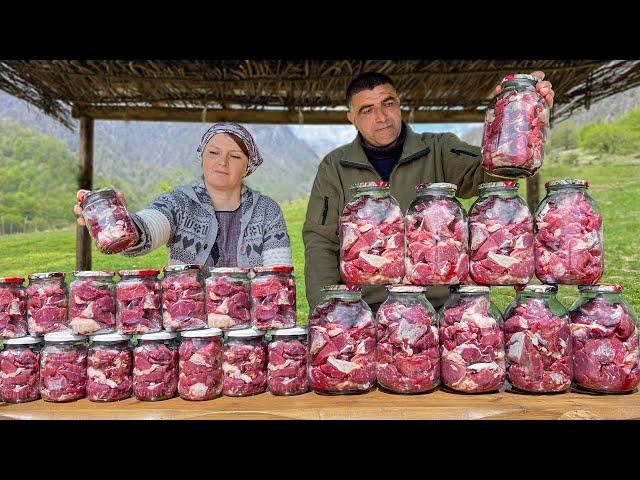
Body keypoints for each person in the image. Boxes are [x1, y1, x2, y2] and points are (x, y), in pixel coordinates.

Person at [303, 71, 554, 311]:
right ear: (352, 118)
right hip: (366, 311)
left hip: (437, 308)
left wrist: (516, 107)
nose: (381, 117)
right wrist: (328, 311)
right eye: (366, 110)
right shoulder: (334, 167)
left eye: (387, 103)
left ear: (399, 104)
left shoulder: (439, 149)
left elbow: (492, 169)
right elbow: (321, 241)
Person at [75, 122, 292, 270]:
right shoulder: (179, 203)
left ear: (248, 166)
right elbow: (151, 226)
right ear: (202, 157)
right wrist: (121, 222)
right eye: (214, 153)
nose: (222, 162)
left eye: (234, 156)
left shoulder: (267, 211)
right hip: (186, 323)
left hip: (249, 330)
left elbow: (278, 276)